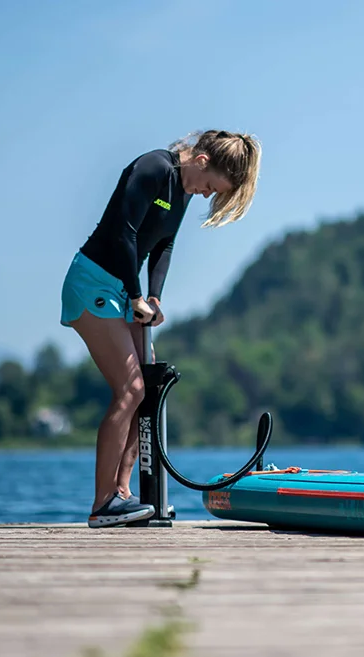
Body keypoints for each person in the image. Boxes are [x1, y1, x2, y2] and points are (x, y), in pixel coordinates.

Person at [59, 130, 262, 528]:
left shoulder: (183, 190)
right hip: (93, 282)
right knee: (130, 389)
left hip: (123, 290)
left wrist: (153, 297)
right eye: (209, 186)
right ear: (201, 160)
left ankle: (122, 495)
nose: (205, 194)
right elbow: (124, 231)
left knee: (147, 389)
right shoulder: (155, 167)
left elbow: (164, 245)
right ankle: (102, 504)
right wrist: (135, 293)